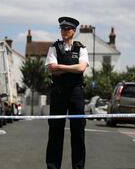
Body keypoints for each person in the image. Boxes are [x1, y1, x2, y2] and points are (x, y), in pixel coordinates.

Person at [45, 16, 89, 169]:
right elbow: (51, 70)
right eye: (62, 28)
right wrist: (71, 68)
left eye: (67, 29)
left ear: (73, 31)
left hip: (76, 93)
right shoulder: (53, 48)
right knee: (55, 133)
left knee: (78, 133)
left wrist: (61, 67)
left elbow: (82, 68)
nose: (64, 31)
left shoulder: (81, 48)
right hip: (58, 93)